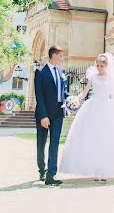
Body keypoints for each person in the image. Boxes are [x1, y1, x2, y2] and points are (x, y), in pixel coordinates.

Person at [59, 53, 114, 180]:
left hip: (108, 108)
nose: (99, 68)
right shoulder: (92, 77)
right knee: (93, 138)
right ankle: (95, 170)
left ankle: (105, 170)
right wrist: (74, 100)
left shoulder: (111, 79)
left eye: (102, 66)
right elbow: (84, 93)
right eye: (98, 65)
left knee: (107, 138)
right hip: (93, 107)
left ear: (106, 66)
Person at [34, 45, 68, 185]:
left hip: (58, 113)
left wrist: (71, 100)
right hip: (44, 114)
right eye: (61, 55)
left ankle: (51, 175)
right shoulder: (40, 72)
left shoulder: (62, 71)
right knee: (41, 144)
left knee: (54, 143)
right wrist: (43, 116)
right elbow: (39, 95)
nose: (62, 58)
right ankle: (42, 170)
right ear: (54, 55)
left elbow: (63, 92)